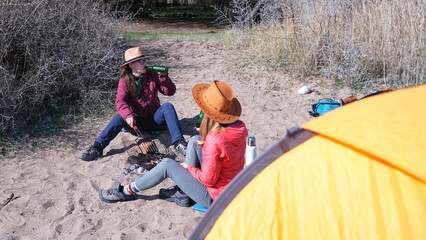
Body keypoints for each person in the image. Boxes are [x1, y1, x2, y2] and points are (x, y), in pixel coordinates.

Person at [98, 80, 248, 208]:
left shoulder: (215, 139)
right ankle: (184, 192)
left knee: (168, 165)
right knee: (195, 140)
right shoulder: (238, 128)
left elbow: (209, 179)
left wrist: (189, 169)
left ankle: (126, 191)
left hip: (215, 198)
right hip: (230, 189)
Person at [79, 47, 187, 161]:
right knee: (120, 116)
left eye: (145, 60)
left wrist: (164, 78)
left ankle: (179, 143)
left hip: (155, 121)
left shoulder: (152, 74)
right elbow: (120, 101)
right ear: (131, 64)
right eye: (141, 61)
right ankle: (97, 147)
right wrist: (128, 115)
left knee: (167, 106)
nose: (145, 63)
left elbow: (170, 92)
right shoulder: (124, 81)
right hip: (136, 124)